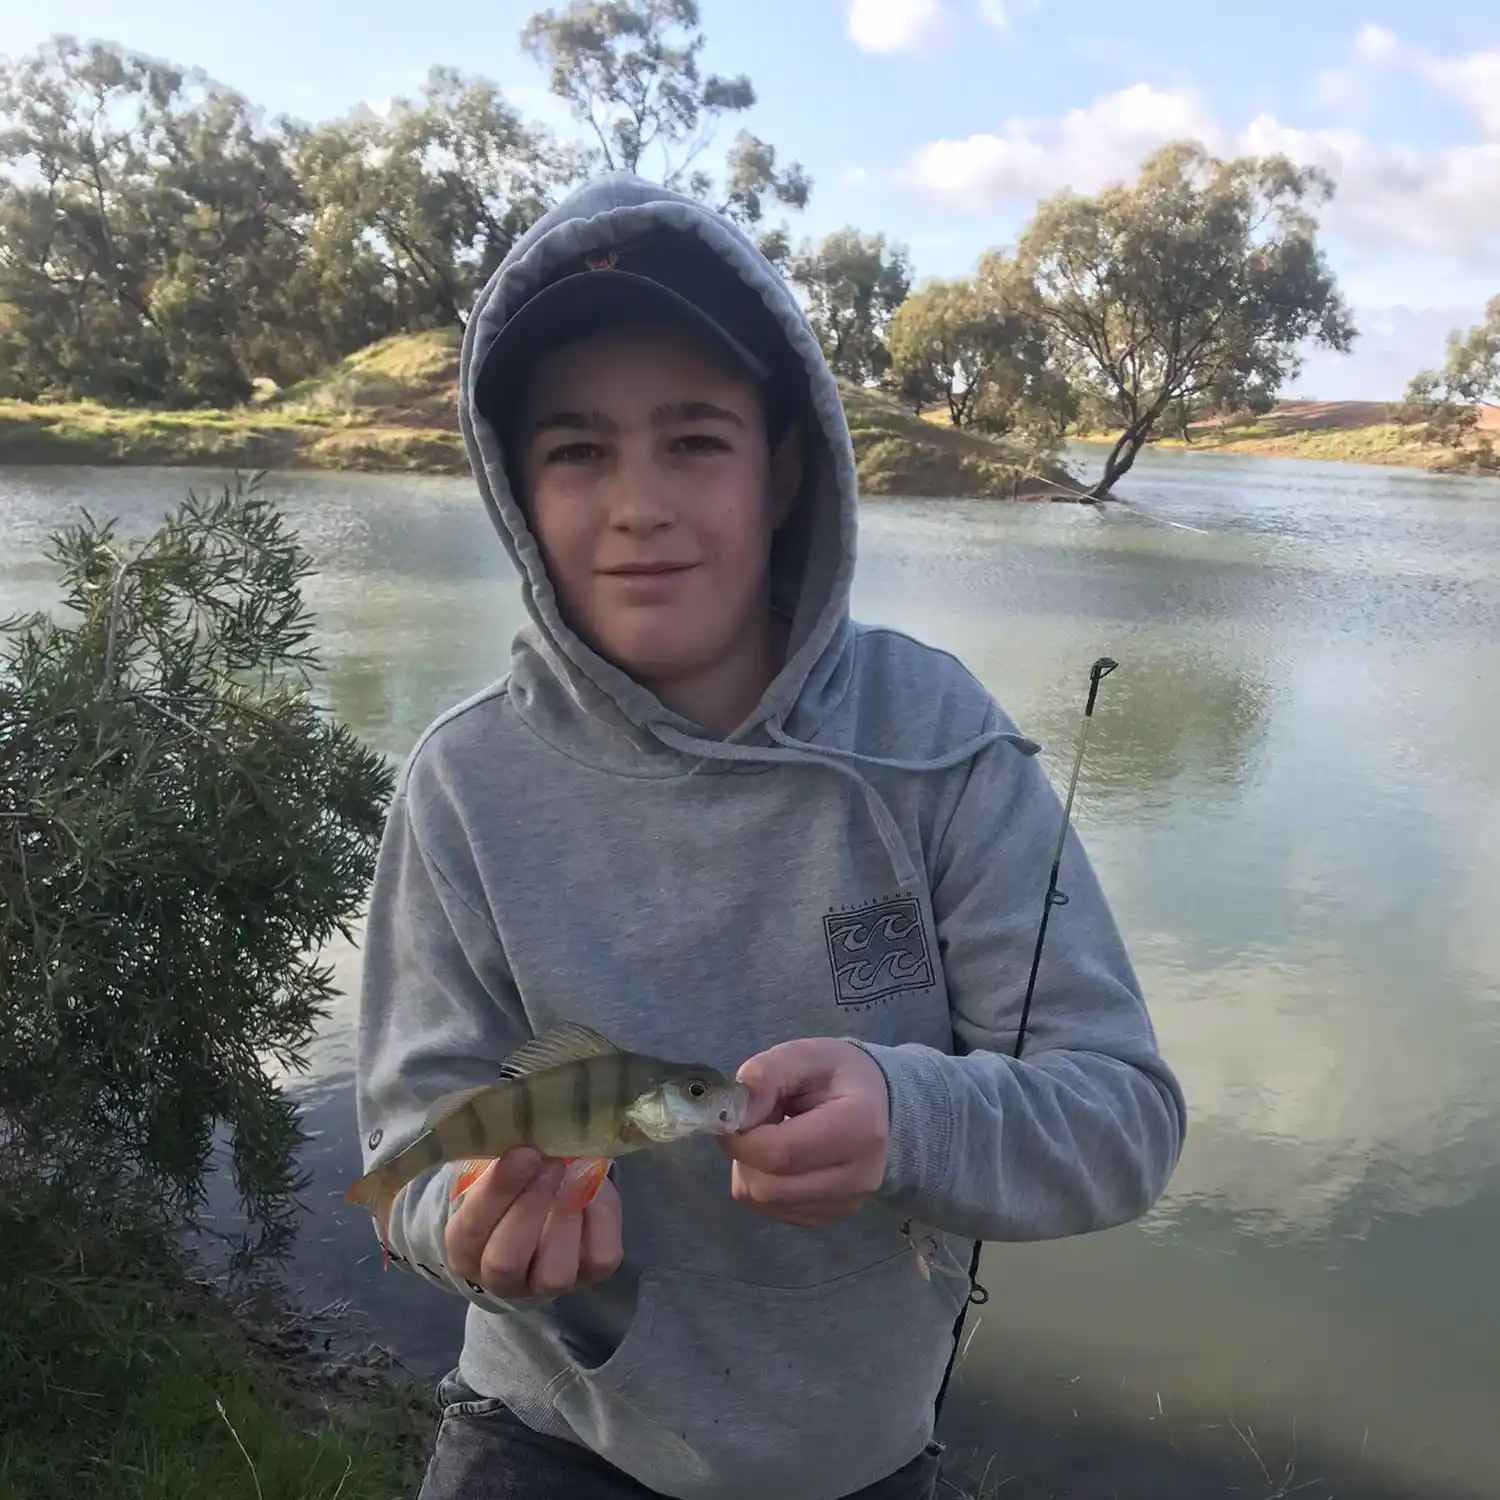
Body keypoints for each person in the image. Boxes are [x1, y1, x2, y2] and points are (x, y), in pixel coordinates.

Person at [352, 172, 1187, 1500]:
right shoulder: (464, 784)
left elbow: (1124, 1122)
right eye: (577, 450)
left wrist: (908, 1115)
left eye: (695, 441)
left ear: (785, 465)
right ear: (515, 487)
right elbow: (404, 1148)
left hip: (855, 1465)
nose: (639, 505)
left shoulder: (939, 744)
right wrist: (466, 1229)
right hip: (544, 1444)